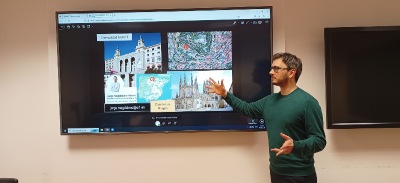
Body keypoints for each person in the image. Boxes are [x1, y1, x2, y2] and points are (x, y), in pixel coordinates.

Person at [206, 52, 326, 183]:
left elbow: (319, 141)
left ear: (291, 73)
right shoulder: (269, 101)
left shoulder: (308, 102)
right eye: (271, 68)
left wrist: (295, 145)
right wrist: (225, 94)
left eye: (276, 68)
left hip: (300, 175)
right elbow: (247, 109)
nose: (270, 72)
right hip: (276, 172)